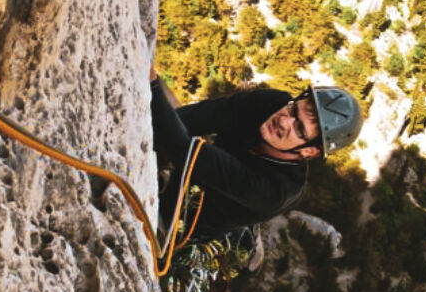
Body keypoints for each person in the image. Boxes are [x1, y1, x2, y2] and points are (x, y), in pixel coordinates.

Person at [150, 74, 363, 246]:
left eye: (299, 129)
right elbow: (192, 118)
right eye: (293, 109)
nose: (284, 121)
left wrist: (153, 85)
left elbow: (183, 150)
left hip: (182, 222)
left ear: (310, 152)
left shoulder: (276, 190)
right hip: (191, 173)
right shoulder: (271, 103)